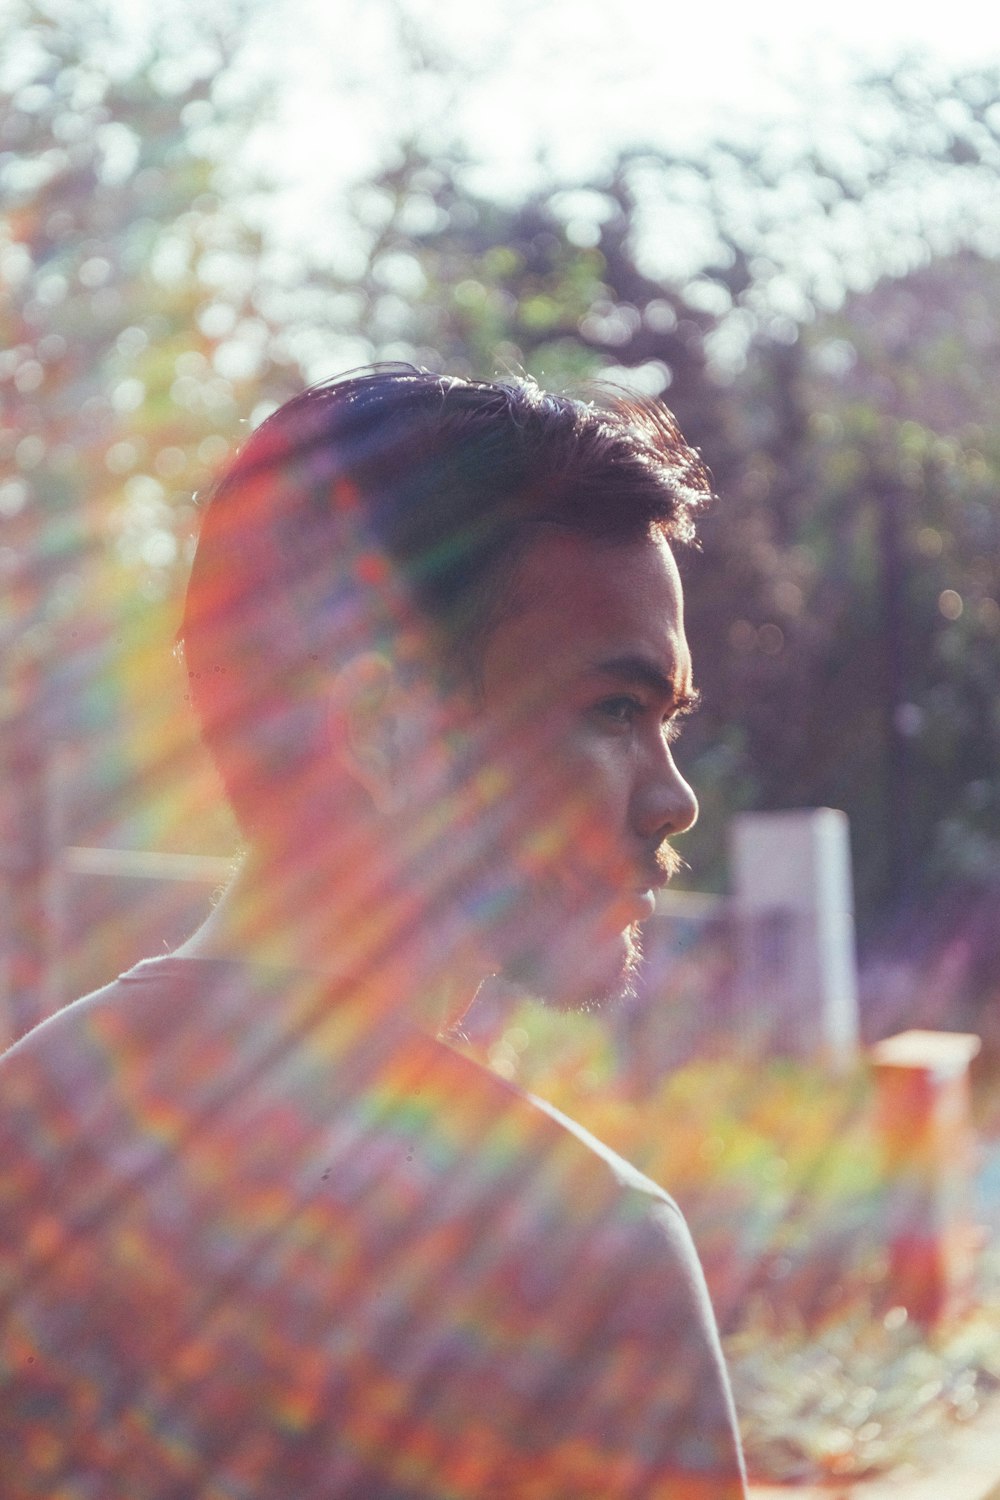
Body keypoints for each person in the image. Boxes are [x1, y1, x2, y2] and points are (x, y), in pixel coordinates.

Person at [0, 368, 747, 1497]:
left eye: (668, 722)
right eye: (613, 710)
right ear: (384, 733)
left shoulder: (26, 1136)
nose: (672, 797)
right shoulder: (585, 1252)